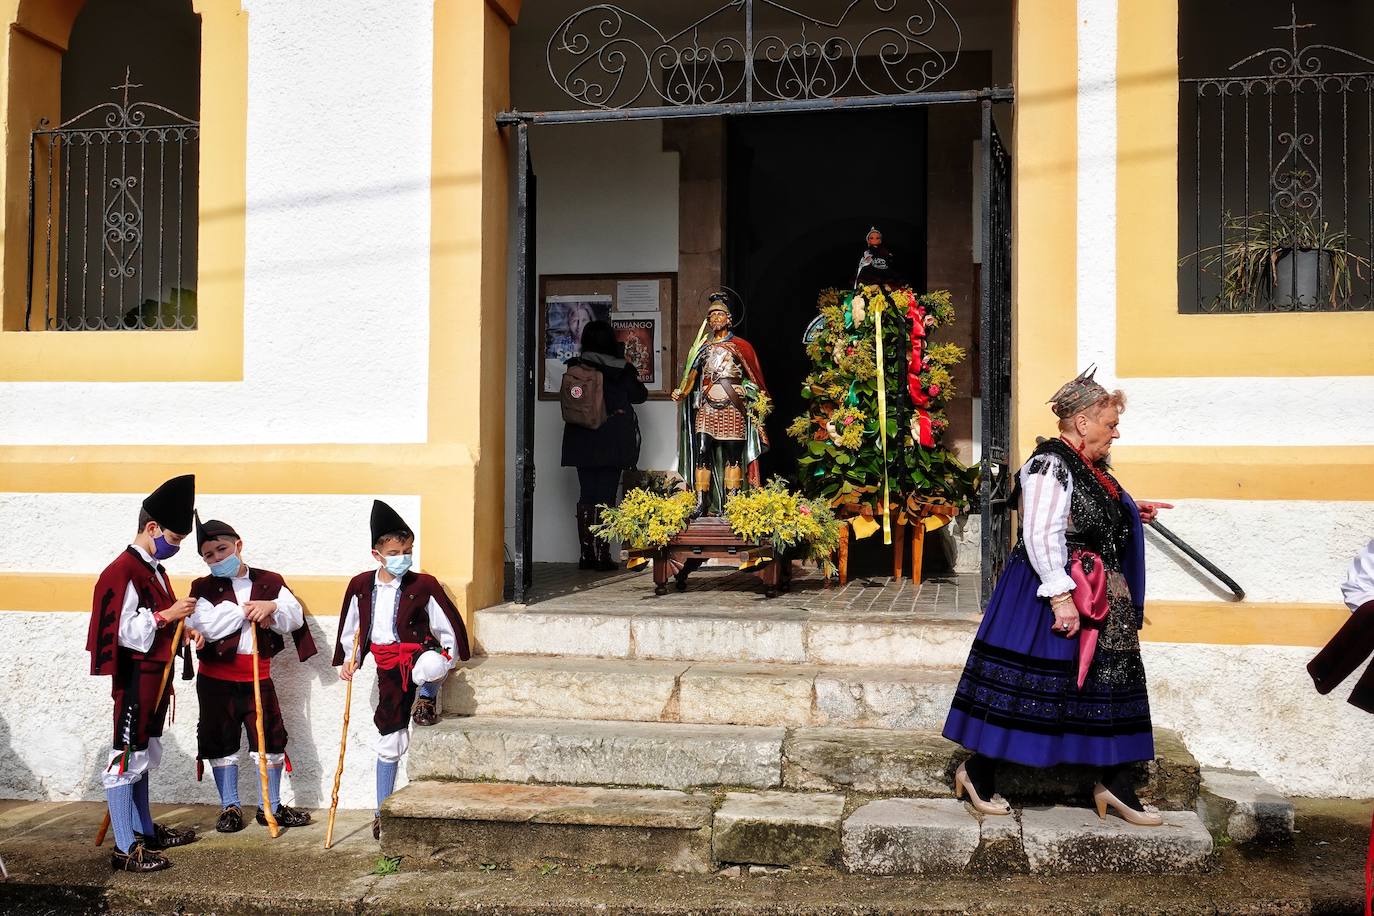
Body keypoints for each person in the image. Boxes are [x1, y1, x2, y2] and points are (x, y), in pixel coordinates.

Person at [942, 367, 1172, 826]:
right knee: (1029, 686)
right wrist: (1059, 597)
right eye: (1110, 423)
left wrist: (1127, 510)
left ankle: (1115, 783)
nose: (1116, 432)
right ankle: (978, 772)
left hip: (1098, 592)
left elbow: (1084, 512)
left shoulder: (1089, 467)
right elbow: (1041, 532)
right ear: (1082, 422)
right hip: (1053, 589)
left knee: (1106, 685)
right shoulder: (1050, 463)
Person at [334, 500, 471, 840]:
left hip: (418, 653)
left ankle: (425, 699)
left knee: (432, 663)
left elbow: (446, 625)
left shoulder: (423, 585)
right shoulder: (361, 586)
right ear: (377, 554)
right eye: (395, 551)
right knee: (390, 736)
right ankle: (382, 810)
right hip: (386, 666)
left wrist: (450, 654)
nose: (403, 557)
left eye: (408, 550)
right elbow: (353, 626)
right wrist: (350, 659)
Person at [86, 474, 202, 872]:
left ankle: (144, 829)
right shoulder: (123, 570)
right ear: (151, 528)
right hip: (136, 679)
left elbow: (156, 623)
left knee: (144, 756)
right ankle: (124, 847)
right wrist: (168, 614)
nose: (176, 546)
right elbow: (124, 631)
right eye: (174, 536)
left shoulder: (153, 570)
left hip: (157, 678)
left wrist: (182, 630)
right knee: (125, 757)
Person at [188, 514, 317, 834]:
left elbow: (293, 618)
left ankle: (269, 806)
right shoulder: (202, 587)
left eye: (221, 549)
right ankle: (229, 806)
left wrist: (273, 608)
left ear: (238, 545)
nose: (217, 558)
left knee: (269, 738)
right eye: (209, 555)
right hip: (216, 679)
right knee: (220, 741)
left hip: (257, 674)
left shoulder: (270, 581)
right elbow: (208, 626)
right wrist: (247, 609)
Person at [672, 292, 770, 516]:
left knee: (733, 454)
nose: (715, 319)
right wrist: (682, 392)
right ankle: (701, 501)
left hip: (733, 404)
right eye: (712, 315)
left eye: (720, 314)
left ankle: (733, 503)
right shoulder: (702, 347)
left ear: (729, 318)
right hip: (707, 404)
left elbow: (754, 378)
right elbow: (691, 376)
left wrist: (753, 394)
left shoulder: (740, 346)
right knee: (702, 450)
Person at [561, 319, 648, 570]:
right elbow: (639, 396)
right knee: (606, 496)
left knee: (586, 494)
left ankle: (586, 554)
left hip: (581, 437)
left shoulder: (575, 367)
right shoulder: (621, 370)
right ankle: (602, 554)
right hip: (611, 439)